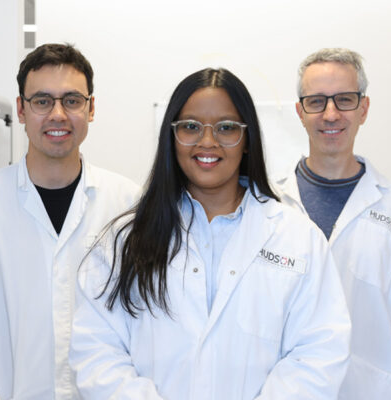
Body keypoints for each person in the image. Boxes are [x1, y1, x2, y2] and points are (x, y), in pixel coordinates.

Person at [70, 68, 350, 400]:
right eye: (190, 127)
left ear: (247, 141)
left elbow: (318, 351)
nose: (207, 141)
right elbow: (98, 352)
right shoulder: (123, 240)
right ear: (171, 137)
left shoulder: (298, 238)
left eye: (227, 128)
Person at [0, 43, 140, 400]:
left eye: (72, 101)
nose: (58, 114)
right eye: (42, 101)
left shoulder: (128, 206)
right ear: (21, 110)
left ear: (91, 109)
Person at [274, 48, 391, 399]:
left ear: (364, 109)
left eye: (344, 100)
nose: (330, 114)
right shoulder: (265, 204)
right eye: (316, 101)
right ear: (300, 112)